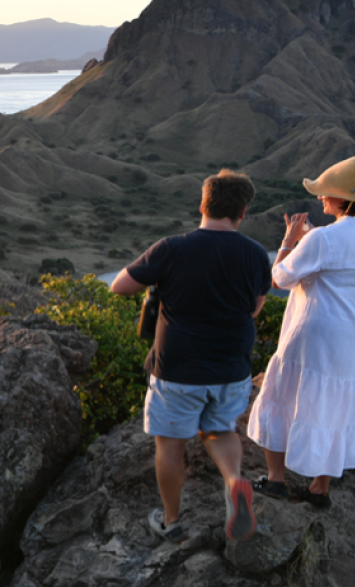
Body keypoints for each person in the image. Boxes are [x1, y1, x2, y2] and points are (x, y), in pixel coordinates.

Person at [111, 169, 271, 544]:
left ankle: (170, 521)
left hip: (179, 368)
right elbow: (255, 310)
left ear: (203, 204)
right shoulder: (254, 254)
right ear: (243, 212)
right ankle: (234, 484)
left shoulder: (171, 247)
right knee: (220, 431)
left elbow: (120, 286)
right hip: (232, 367)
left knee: (170, 443)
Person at [247, 157, 355, 510]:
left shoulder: (323, 238)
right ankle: (318, 488)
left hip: (312, 333)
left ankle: (276, 480)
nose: (322, 198)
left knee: (280, 396)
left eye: (328, 192)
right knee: (333, 408)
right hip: (347, 339)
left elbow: (280, 278)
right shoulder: (324, 239)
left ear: (346, 199)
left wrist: (289, 240)